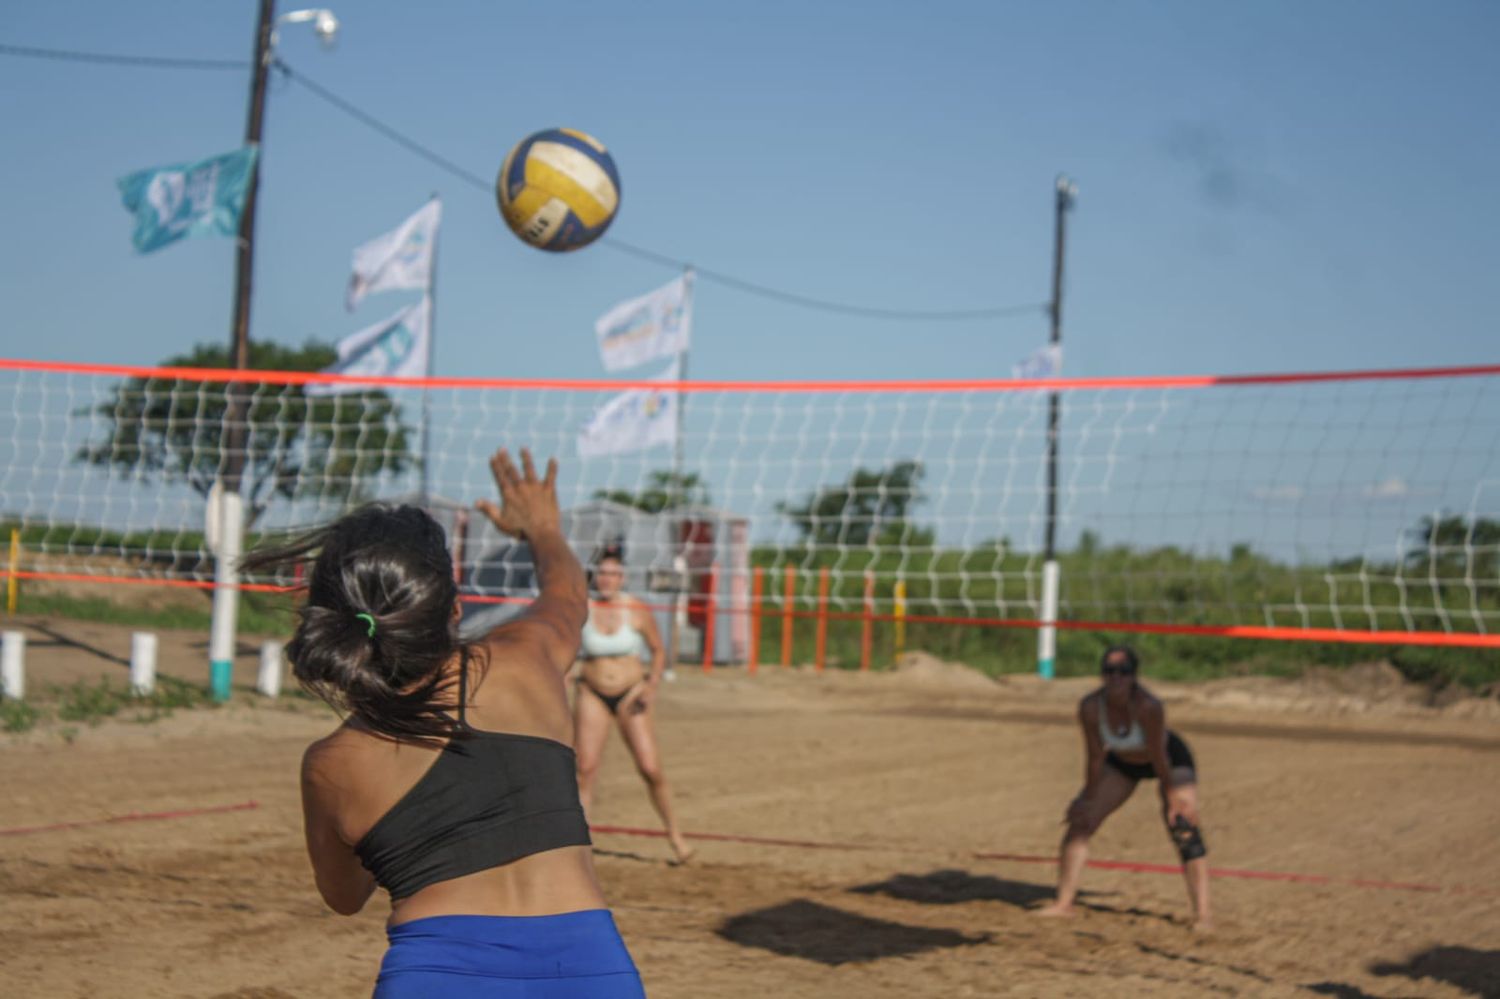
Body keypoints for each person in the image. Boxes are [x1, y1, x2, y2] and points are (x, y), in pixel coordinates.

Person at [243, 448, 645, 997]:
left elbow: (344, 897)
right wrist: (543, 528)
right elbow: (568, 595)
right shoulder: (525, 662)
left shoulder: (332, 763)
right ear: (454, 609)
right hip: (589, 971)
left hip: (435, 978)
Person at [1035, 645, 1212, 930]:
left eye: (1123, 671)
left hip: (1168, 759)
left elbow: (1159, 756)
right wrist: (1087, 797)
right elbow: (1094, 756)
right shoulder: (1091, 707)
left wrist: (1172, 798)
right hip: (1123, 762)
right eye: (1109, 671)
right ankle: (1063, 903)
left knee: (1184, 826)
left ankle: (1203, 915)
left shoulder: (1148, 706)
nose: (1116, 677)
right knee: (1081, 822)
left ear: (1134, 676)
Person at [573, 545, 694, 864]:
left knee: (650, 767)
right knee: (585, 769)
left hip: (631, 692)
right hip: (592, 692)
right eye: (603, 573)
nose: (607, 579)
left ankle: (676, 837)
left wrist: (651, 686)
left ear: (622, 576)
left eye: (613, 573)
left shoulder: (636, 609)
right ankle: (577, 845)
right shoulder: (582, 608)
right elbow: (566, 649)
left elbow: (657, 651)